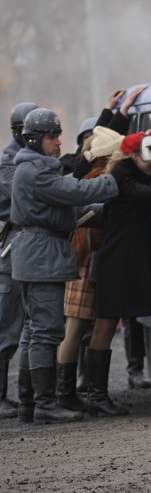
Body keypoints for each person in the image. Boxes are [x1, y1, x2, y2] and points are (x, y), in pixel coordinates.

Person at [11, 108, 118, 425]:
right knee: (46, 331)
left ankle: (30, 404)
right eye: (52, 137)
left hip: (36, 253)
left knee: (34, 332)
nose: (59, 142)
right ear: (35, 140)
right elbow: (74, 191)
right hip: (41, 255)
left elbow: (67, 201)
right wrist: (116, 178)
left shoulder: (33, 170)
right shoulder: (35, 172)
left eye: (57, 135)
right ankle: (44, 404)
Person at [87, 129, 151, 417]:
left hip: (123, 259)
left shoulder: (128, 170)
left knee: (106, 326)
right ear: (132, 155)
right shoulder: (121, 176)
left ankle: (96, 394)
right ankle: (97, 395)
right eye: (147, 154)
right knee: (104, 327)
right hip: (116, 262)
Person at [0, 102, 38, 419]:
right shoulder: (8, 163)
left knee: (30, 329)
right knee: (7, 331)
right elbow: (27, 200)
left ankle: (31, 397)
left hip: (26, 252)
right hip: (10, 257)